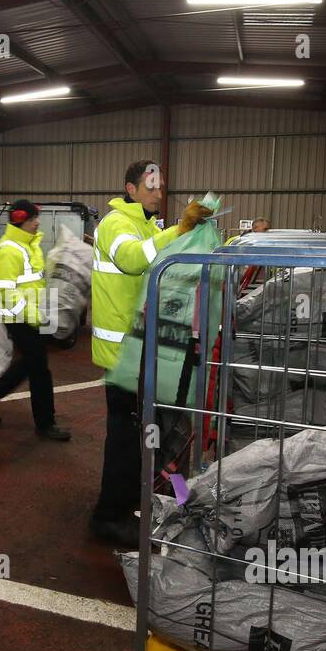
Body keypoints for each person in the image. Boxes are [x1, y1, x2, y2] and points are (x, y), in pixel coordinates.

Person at [88, 159, 213, 546]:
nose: (159, 192)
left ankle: (138, 500)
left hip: (140, 349)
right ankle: (109, 517)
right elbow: (131, 259)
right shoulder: (115, 224)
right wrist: (181, 229)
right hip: (121, 352)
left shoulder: (145, 225)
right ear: (130, 189)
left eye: (162, 186)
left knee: (146, 434)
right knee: (125, 440)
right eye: (151, 185)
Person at [0, 200, 71, 442]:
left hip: (31, 315)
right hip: (19, 317)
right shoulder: (9, 250)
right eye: (32, 219)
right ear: (20, 221)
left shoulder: (30, 246)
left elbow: (34, 283)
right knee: (40, 369)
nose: (37, 222)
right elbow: (7, 294)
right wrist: (35, 317)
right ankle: (45, 423)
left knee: (30, 364)